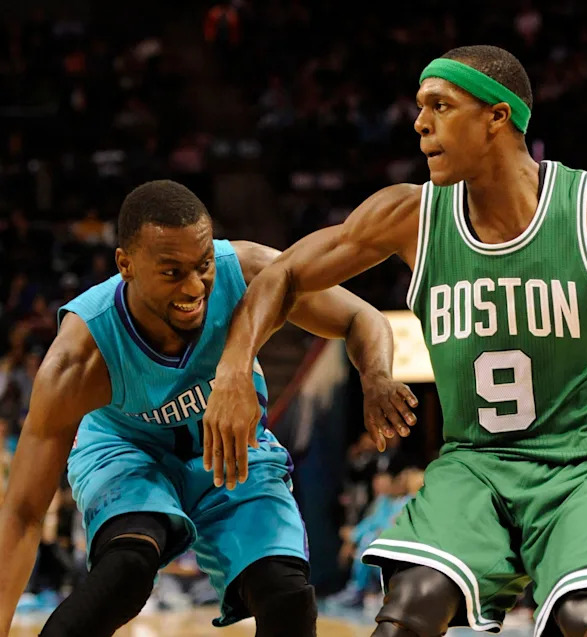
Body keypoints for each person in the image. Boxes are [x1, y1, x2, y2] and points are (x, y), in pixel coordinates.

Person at [205, 45, 587, 637]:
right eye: (419, 107)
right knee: (409, 610)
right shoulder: (409, 216)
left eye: (439, 105)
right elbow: (281, 273)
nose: (419, 124)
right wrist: (233, 370)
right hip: (477, 464)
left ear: (497, 116)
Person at [0, 180, 417, 637]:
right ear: (126, 265)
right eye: (172, 272)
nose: (194, 286)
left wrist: (375, 374)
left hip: (235, 454)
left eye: (202, 266)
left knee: (288, 598)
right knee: (125, 572)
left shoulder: (249, 271)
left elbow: (362, 316)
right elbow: (22, 513)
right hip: (127, 450)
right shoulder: (79, 357)